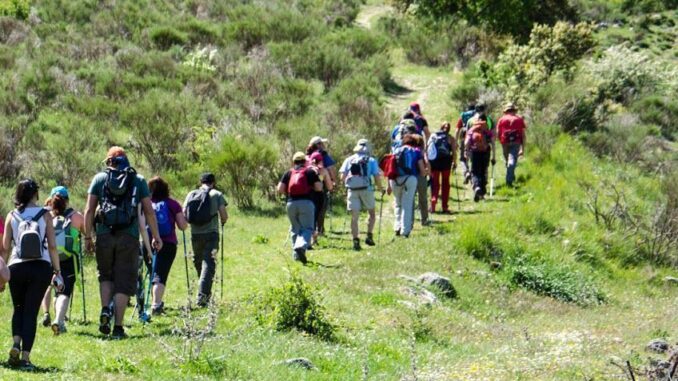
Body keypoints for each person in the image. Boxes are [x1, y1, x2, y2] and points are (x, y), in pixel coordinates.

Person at [84, 146, 162, 339]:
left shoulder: (99, 179)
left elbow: (88, 211)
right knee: (124, 280)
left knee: (106, 276)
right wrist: (156, 237)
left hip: (103, 234)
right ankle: (118, 327)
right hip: (129, 236)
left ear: (109, 161)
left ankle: (104, 310)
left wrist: (87, 237)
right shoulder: (138, 180)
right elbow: (149, 211)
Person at [3, 179, 64, 370]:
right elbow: (53, 246)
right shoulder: (45, 215)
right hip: (41, 267)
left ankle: (15, 343)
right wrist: (57, 271)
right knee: (31, 311)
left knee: (18, 307)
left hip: (16, 267)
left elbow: (5, 248)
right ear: (35, 194)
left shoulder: (11, 215)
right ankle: (26, 357)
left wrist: (2, 272)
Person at [40, 186, 84, 335]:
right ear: (67, 200)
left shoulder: (45, 216)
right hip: (68, 258)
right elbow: (86, 232)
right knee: (63, 292)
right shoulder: (76, 216)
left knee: (50, 286)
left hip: (49, 257)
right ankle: (59, 321)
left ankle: (48, 314)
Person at [184, 173, 227, 307]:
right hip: (211, 233)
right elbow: (224, 215)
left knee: (199, 261)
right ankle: (202, 298)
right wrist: (223, 222)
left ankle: (204, 290)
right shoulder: (216, 194)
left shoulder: (191, 194)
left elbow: (184, 212)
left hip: (195, 234)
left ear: (200, 181)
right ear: (213, 182)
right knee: (209, 263)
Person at [146, 177, 188, 315]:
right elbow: (183, 226)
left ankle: (149, 302)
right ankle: (156, 305)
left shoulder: (146, 204)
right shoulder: (172, 204)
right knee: (160, 275)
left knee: (151, 273)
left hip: (147, 242)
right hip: (168, 243)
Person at [339, 139, 384, 251]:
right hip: (366, 189)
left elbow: (342, 177)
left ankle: (355, 241)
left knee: (354, 217)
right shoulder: (371, 160)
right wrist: (380, 188)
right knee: (372, 213)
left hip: (352, 190)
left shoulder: (349, 159)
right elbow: (377, 176)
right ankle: (369, 236)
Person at [277, 152, 322, 264]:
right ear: (305, 161)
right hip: (306, 203)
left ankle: (296, 256)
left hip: (291, 203)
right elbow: (319, 188)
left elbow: (280, 189)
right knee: (307, 228)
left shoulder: (288, 173)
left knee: (295, 228)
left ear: (293, 162)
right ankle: (301, 247)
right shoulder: (309, 172)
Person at [387, 135, 426, 238]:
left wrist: (388, 185)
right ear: (413, 142)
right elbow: (422, 171)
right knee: (407, 205)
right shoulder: (416, 151)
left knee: (398, 204)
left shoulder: (396, 150)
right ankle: (405, 231)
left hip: (394, 180)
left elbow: (389, 168)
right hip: (410, 179)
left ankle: (397, 227)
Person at [306, 136, 336, 235]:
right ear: (318, 145)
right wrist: (333, 181)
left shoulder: (306, 156)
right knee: (321, 207)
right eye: (322, 143)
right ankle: (320, 229)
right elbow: (331, 169)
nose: (324, 145)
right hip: (320, 184)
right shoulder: (323, 156)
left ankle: (312, 230)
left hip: (307, 187)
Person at [464, 115, 496, 202]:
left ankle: (477, 187)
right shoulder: (486, 131)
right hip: (485, 152)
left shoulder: (472, 130)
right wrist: (494, 156)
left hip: (474, 152)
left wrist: (466, 152)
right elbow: (493, 143)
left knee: (474, 172)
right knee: (483, 171)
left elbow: (466, 142)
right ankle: (482, 193)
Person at [428, 122, 457, 213]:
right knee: (445, 184)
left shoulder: (433, 136)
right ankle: (445, 207)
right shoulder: (450, 138)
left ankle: (433, 200)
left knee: (435, 183)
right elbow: (454, 152)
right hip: (446, 162)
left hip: (435, 162)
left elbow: (428, 148)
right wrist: (454, 163)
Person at [496, 102, 527, 187]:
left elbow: (498, 132)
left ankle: (510, 178)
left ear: (506, 111)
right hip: (516, 142)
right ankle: (509, 180)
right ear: (514, 110)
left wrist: (500, 141)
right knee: (512, 160)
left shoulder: (502, 119)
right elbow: (523, 135)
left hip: (504, 142)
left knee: (508, 161)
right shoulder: (519, 119)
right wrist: (522, 148)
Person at [308, 152, 333, 247]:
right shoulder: (323, 171)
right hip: (318, 196)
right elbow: (329, 186)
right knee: (316, 217)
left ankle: (309, 239)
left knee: (309, 217)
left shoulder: (306, 170)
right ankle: (313, 239)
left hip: (307, 195)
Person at [455, 103, 476, 183]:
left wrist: (456, 141)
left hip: (464, 137)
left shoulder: (463, 117)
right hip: (474, 139)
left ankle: (466, 172)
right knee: (472, 157)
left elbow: (457, 130)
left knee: (462, 158)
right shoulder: (476, 117)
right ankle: (472, 174)